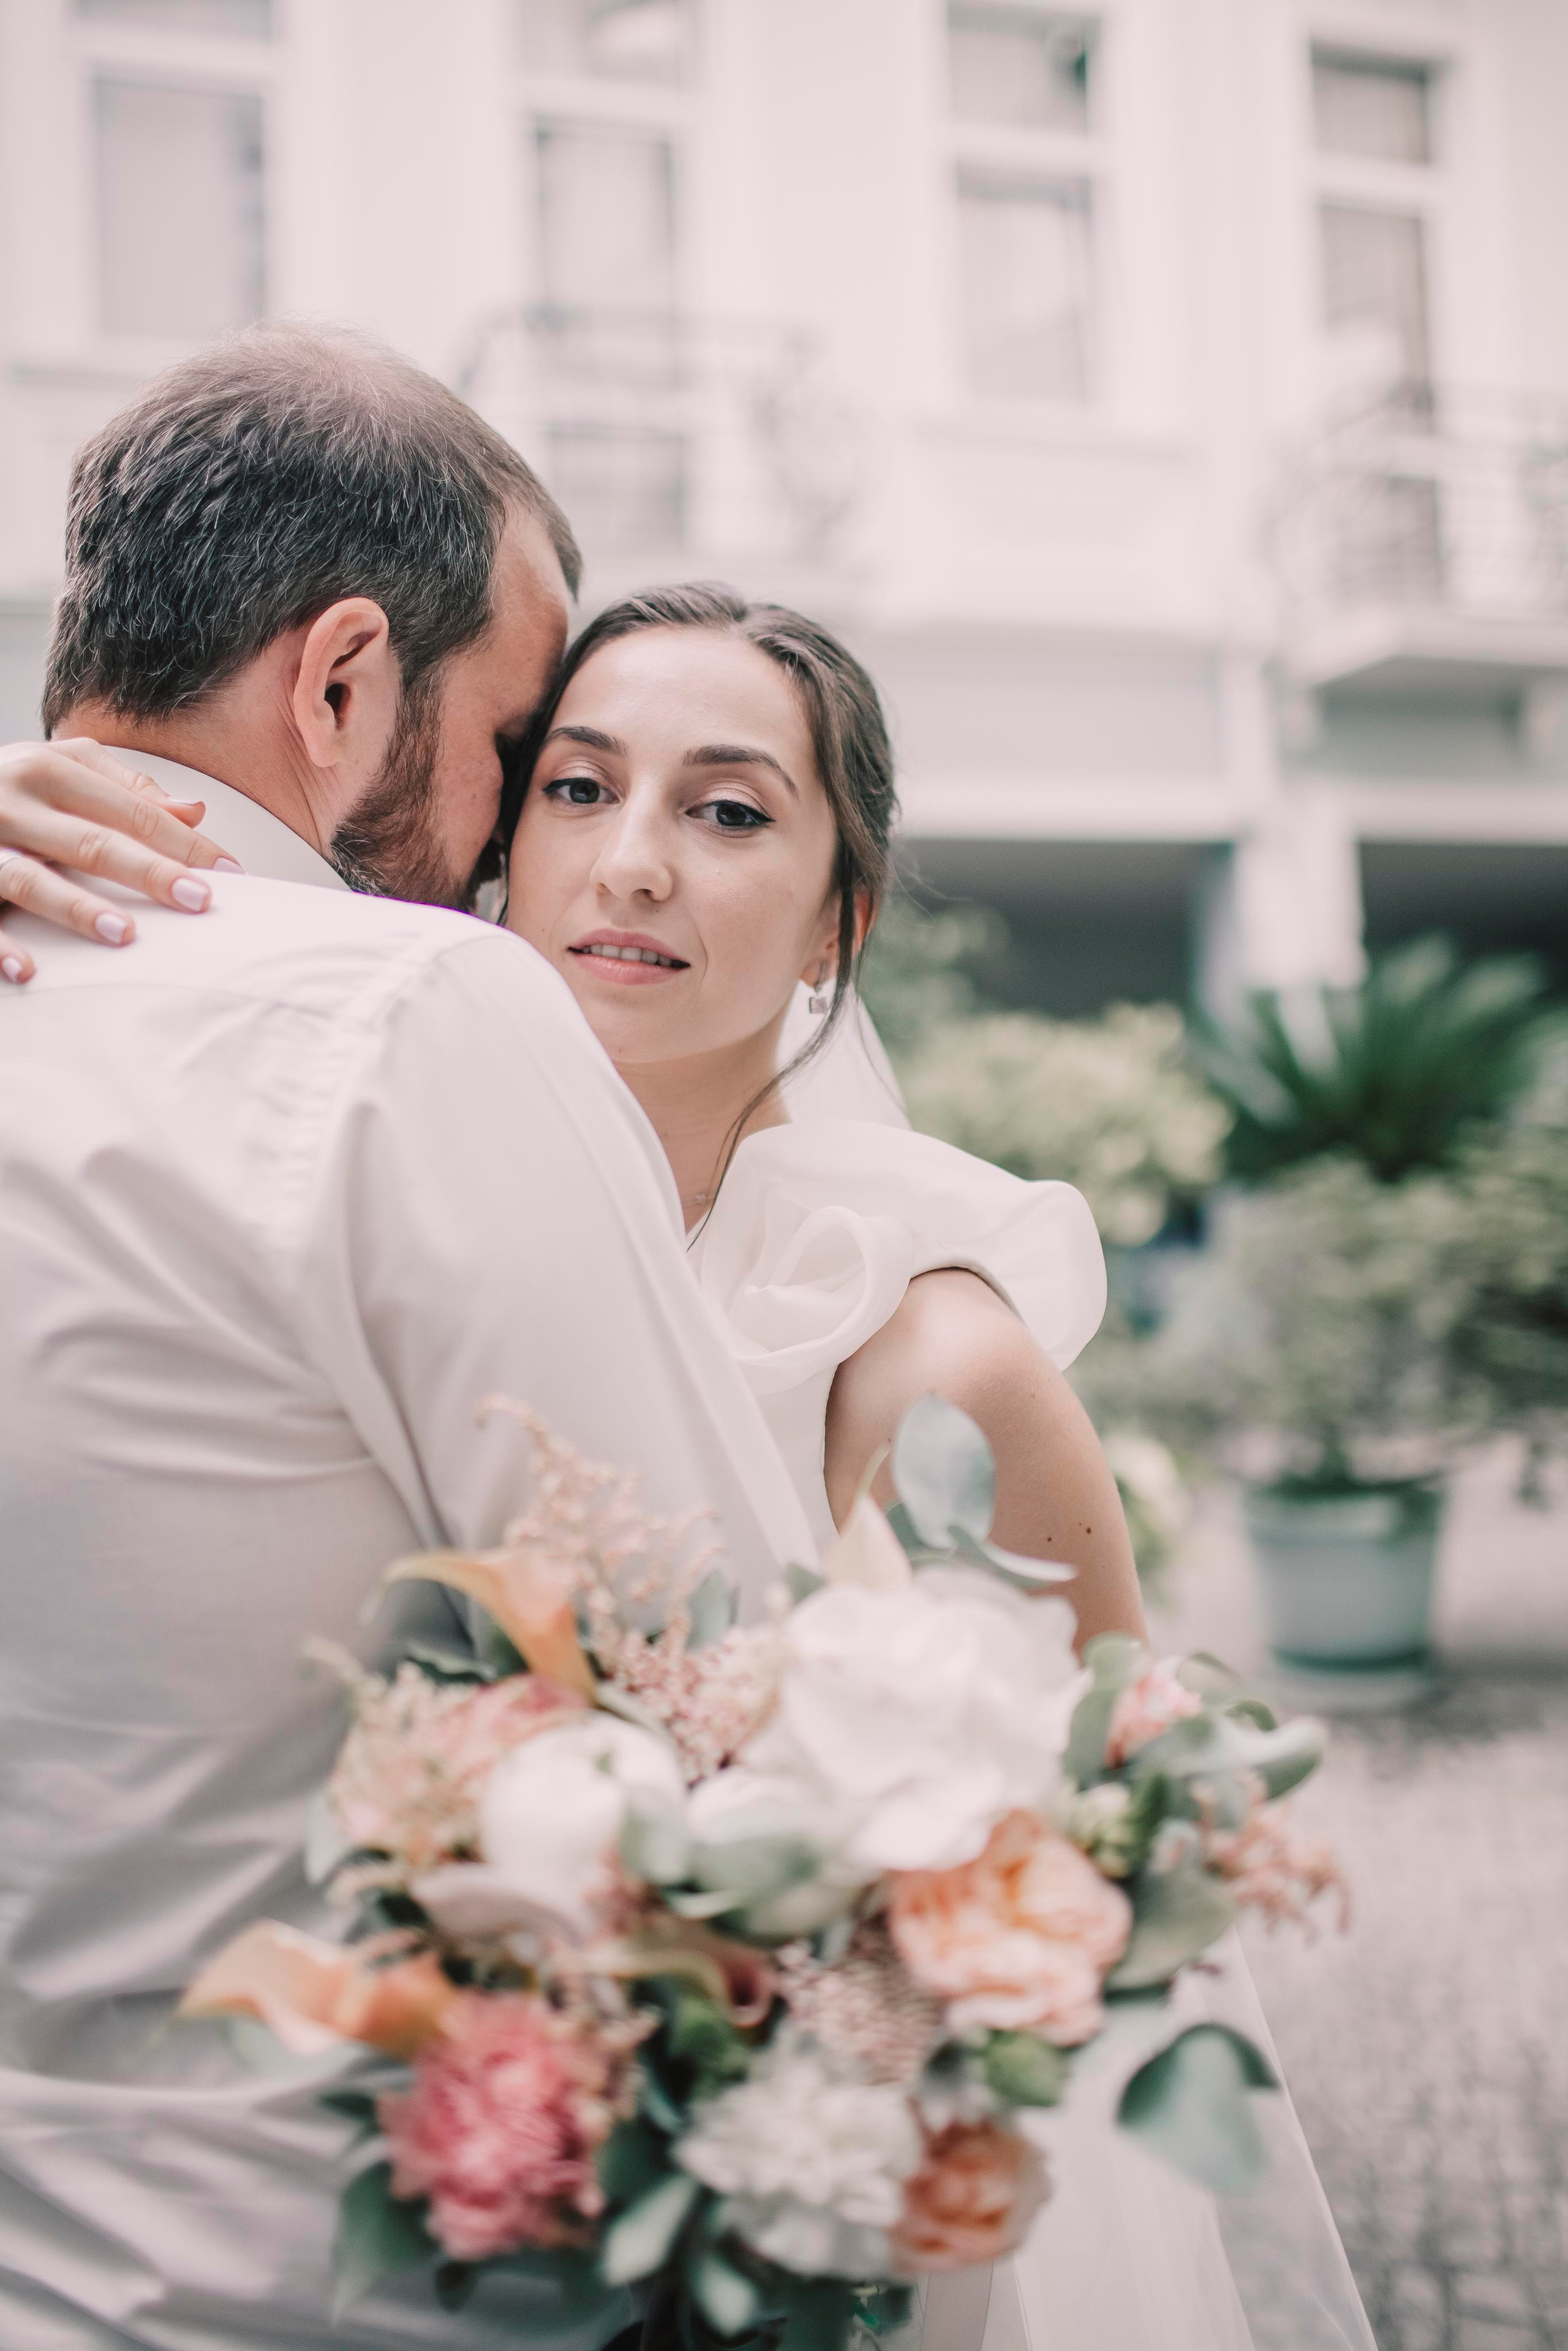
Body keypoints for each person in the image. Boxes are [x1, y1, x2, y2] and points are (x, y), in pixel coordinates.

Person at [2, 545, 1374, 2343]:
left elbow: (1103, 1872)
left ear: (837, 926)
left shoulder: (939, 1362)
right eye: (576, 788)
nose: (634, 860)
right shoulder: (372, 1202)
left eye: (728, 813)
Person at [0, 326, 822, 2351]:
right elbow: (714, 1687)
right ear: (343, 681)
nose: (513, 841)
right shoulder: (402, 1009)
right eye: (520, 749)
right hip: (328, 2273)